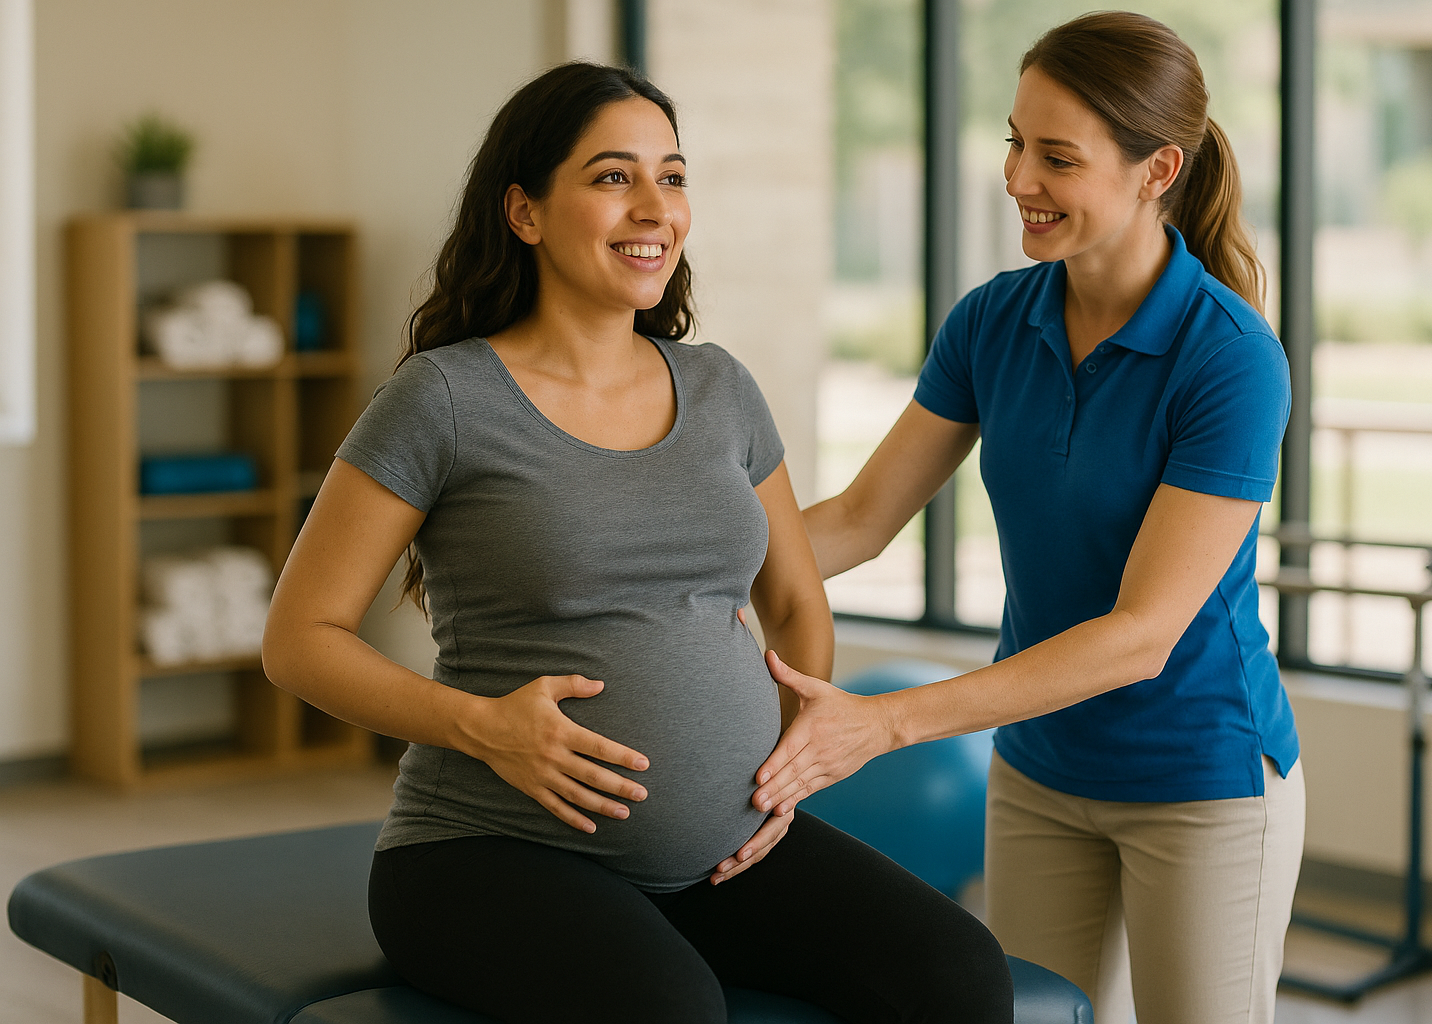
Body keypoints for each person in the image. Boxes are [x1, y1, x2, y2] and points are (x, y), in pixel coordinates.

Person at [261, 62, 1012, 1024]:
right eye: (614, 177)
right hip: (487, 853)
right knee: (670, 1012)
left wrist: (789, 773)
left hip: (727, 855)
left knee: (958, 973)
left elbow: (790, 600)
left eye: (674, 175)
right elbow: (301, 638)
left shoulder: (719, 387)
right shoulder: (443, 400)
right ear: (525, 212)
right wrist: (479, 724)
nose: (654, 206)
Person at [739, 13, 1305, 1024]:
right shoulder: (994, 321)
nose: (1016, 178)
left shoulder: (1228, 357)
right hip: (1042, 771)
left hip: (1199, 776)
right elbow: (863, 518)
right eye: (1013, 141)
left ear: (1155, 168)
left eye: (1056, 157)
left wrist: (885, 723)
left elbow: (1140, 636)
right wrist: (688, 569)